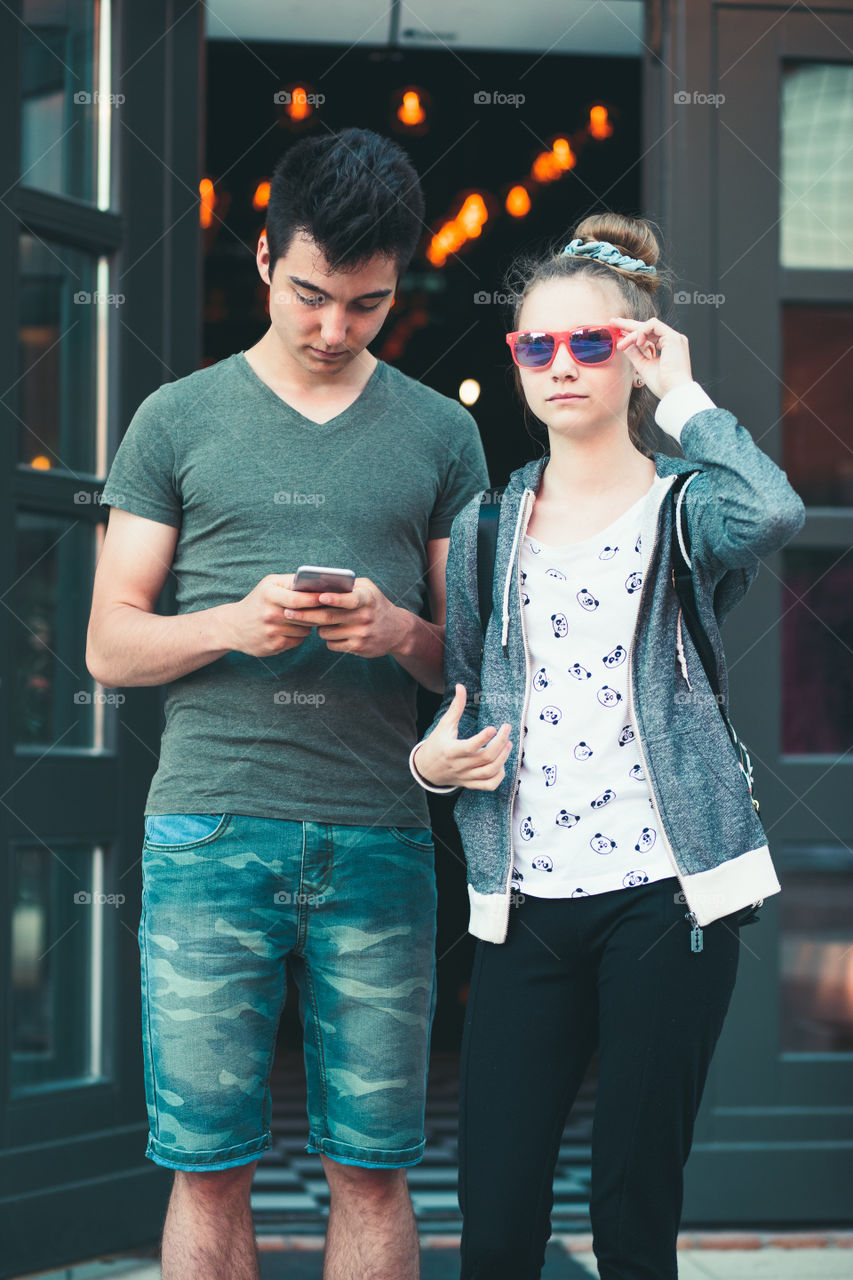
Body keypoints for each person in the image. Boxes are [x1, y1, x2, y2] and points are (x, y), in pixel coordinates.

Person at [85, 127, 488, 1280]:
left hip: (379, 833)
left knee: (373, 1164)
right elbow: (109, 641)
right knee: (206, 1162)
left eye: (365, 305)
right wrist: (230, 622)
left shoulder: (440, 432)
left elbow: (464, 666)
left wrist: (396, 629)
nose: (331, 328)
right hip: (210, 826)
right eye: (310, 293)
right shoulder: (176, 417)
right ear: (263, 257)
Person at [409, 212, 806, 1280]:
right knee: (493, 1229)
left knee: (632, 1221)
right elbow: (460, 703)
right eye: (535, 345)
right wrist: (427, 766)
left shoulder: (685, 511)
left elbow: (772, 509)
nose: (559, 365)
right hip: (525, 904)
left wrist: (684, 398)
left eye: (591, 341)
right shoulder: (489, 526)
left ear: (634, 350)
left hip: (665, 898)